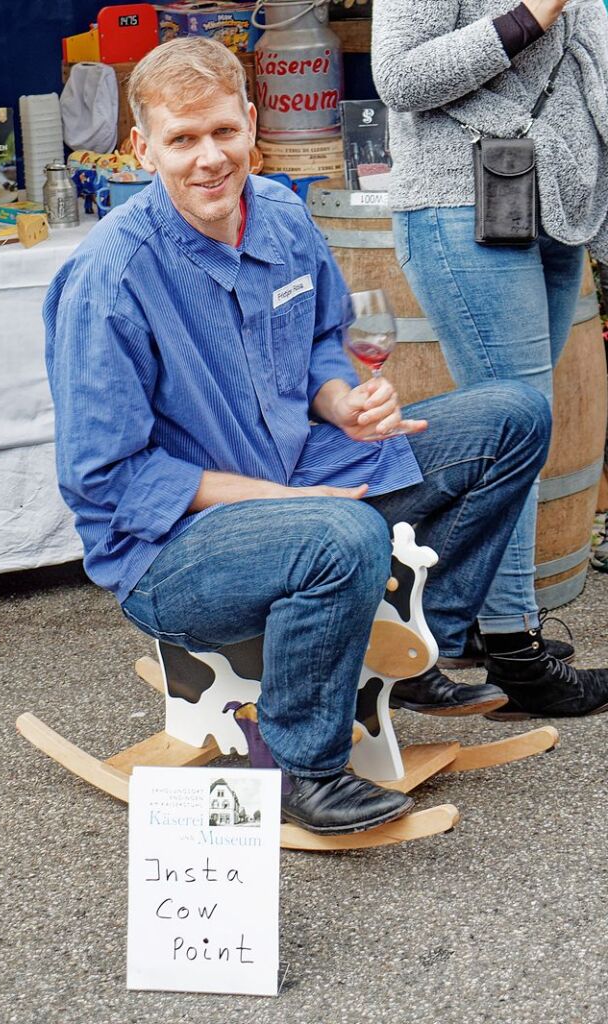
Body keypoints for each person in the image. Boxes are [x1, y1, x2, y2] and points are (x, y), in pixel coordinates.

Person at [44, 37, 580, 836]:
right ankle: (307, 769)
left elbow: (325, 340)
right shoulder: (110, 277)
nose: (208, 159)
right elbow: (110, 482)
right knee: (341, 531)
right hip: (172, 550)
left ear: (251, 122)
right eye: (182, 140)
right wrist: (288, 502)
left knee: (512, 417)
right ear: (141, 146)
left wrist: (340, 402)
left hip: (305, 468)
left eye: (223, 132)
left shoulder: (286, 214)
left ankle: (419, 646)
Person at [372, 0, 608, 714]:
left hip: (556, 208)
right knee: (518, 423)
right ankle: (515, 646)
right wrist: (531, 15)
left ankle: (482, 619)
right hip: (458, 201)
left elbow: (592, 87)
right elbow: (401, 77)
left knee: (525, 431)